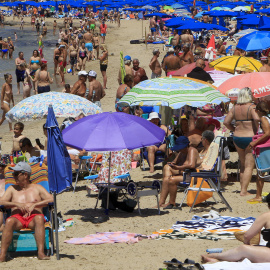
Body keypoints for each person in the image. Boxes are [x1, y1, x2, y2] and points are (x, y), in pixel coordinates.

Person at [0, 162, 53, 262]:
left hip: (34, 218)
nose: (13, 176)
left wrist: (35, 205)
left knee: (39, 218)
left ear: (25, 175)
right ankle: (2, 255)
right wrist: (16, 204)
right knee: (9, 221)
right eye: (13, 174)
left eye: (16, 174)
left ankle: (41, 253)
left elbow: (51, 200)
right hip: (17, 219)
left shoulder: (37, 188)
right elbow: (1, 201)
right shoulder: (12, 189)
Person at [201, 198, 270, 264]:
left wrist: (247, 244)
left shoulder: (266, 216)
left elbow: (247, 236)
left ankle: (215, 256)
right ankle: (220, 258)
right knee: (252, 248)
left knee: (243, 249)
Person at [160, 131, 214, 209]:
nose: (179, 150)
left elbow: (191, 165)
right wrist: (172, 163)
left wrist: (178, 167)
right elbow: (175, 162)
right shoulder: (182, 152)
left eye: (180, 148)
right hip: (186, 174)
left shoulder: (191, 150)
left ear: (186, 146)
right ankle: (161, 203)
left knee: (171, 180)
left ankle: (172, 203)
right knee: (166, 171)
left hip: (195, 175)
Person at [224, 87, 260, 196]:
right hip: (250, 137)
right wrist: (257, 126)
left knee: (243, 164)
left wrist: (234, 129)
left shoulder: (235, 108)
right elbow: (257, 119)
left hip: (237, 137)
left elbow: (226, 122)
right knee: (249, 166)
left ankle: (242, 188)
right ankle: (244, 191)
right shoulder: (251, 107)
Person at [248, 101, 270, 202]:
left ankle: (258, 196)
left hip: (264, 148)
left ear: (258, 110)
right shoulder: (268, 118)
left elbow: (267, 133)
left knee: (260, 173)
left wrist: (255, 142)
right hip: (267, 148)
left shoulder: (263, 119)